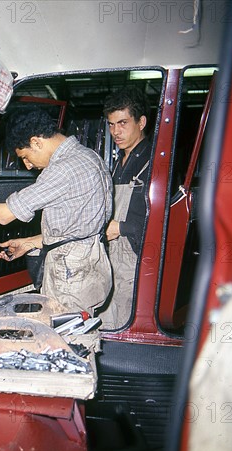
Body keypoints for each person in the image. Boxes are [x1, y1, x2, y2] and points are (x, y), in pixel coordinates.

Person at [0, 106, 112, 316]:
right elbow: (80, 226)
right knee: (80, 325)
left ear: (36, 142)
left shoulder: (62, 169)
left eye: (25, 156)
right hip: (92, 262)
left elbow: (5, 215)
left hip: (71, 273)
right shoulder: (89, 157)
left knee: (62, 335)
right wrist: (30, 242)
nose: (27, 165)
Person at [98, 87, 152, 329]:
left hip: (135, 258)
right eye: (111, 124)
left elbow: (166, 220)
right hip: (112, 255)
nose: (115, 132)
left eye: (122, 123)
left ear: (141, 122)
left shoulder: (155, 162)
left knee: (124, 321)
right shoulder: (119, 162)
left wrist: (121, 227)